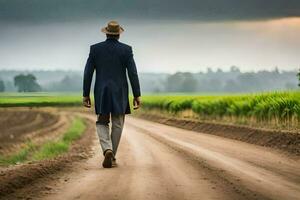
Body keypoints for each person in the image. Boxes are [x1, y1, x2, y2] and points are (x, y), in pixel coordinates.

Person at [82, 21, 141, 168]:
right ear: (119, 34)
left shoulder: (95, 49)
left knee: (102, 121)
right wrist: (137, 94)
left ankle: (107, 149)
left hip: (101, 91)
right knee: (118, 123)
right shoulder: (126, 50)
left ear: (106, 33)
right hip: (119, 91)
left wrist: (86, 94)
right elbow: (133, 73)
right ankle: (112, 154)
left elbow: (88, 73)